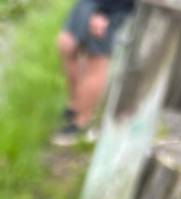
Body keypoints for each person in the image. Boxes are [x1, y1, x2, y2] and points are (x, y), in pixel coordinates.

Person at [52, 0, 136, 146]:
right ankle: (75, 105)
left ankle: (81, 122)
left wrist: (106, 12)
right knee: (66, 44)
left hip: (112, 8)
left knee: (96, 59)